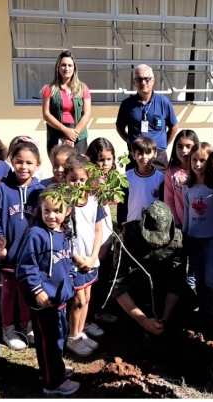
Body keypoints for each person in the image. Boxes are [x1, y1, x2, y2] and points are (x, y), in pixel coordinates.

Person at [16, 190, 80, 396]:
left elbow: (68, 261)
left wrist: (70, 280)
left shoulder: (64, 233)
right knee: (49, 343)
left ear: (68, 211)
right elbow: (26, 266)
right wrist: (37, 290)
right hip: (43, 302)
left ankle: (54, 370)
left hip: (59, 301)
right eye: (46, 210)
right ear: (40, 210)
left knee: (58, 338)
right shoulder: (36, 234)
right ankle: (53, 383)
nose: (51, 216)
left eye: (57, 211)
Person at [0, 139, 46, 351]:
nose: (24, 167)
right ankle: (8, 327)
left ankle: (26, 324)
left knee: (26, 290)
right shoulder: (1, 189)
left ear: (38, 165)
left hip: (31, 255)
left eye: (29, 163)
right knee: (9, 290)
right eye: (19, 161)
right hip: (9, 254)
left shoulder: (41, 191)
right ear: (12, 161)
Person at [111, 201, 188, 337]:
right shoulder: (125, 237)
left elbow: (177, 281)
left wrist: (165, 318)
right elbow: (118, 284)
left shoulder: (177, 241)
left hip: (162, 285)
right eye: (151, 239)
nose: (155, 243)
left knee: (188, 302)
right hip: (135, 287)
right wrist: (143, 320)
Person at [63, 154, 105, 357]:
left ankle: (80, 333)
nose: (77, 184)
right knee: (78, 299)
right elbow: (64, 237)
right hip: (75, 261)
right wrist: (79, 259)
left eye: (82, 180)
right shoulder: (65, 204)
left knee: (87, 297)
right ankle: (72, 337)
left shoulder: (93, 201)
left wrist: (93, 256)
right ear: (65, 179)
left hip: (91, 259)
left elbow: (98, 231)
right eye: (73, 179)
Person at [182, 142, 213, 333]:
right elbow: (187, 214)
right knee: (195, 277)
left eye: (202, 160)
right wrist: (185, 236)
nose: (198, 164)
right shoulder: (187, 187)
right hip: (192, 238)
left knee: (209, 281)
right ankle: (197, 313)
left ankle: (211, 316)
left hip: (210, 240)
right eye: (194, 160)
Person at [116, 64, 179, 171]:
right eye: (139, 79)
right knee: (133, 187)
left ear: (153, 80)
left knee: (161, 187)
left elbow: (174, 127)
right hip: (135, 157)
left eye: (146, 79)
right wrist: (130, 142)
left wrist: (162, 144)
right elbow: (119, 127)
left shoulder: (163, 102)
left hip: (158, 157)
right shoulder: (127, 104)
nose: (143, 82)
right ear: (133, 82)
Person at [86, 138, 120, 326]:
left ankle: (98, 311)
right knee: (93, 278)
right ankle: (88, 318)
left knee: (103, 276)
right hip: (93, 236)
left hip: (106, 233)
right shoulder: (90, 178)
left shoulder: (111, 177)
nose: (104, 164)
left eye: (108, 159)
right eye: (100, 159)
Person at [41, 51, 92, 155]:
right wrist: (65, 130)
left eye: (70, 65)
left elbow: (87, 114)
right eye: (63, 65)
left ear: (74, 68)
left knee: (78, 167)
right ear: (58, 67)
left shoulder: (83, 88)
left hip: (78, 133)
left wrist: (74, 134)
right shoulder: (49, 89)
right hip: (57, 132)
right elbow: (46, 114)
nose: (66, 68)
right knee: (60, 168)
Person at [125, 136, 165, 222]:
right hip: (132, 223)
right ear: (133, 155)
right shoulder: (127, 177)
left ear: (155, 154)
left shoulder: (161, 178)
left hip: (152, 224)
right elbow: (122, 203)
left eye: (148, 153)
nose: (144, 156)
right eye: (140, 153)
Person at [164, 130, 199, 228]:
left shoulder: (201, 170)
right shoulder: (171, 172)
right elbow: (169, 200)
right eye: (180, 146)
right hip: (181, 225)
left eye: (189, 146)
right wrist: (176, 222)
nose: (184, 150)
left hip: (203, 223)